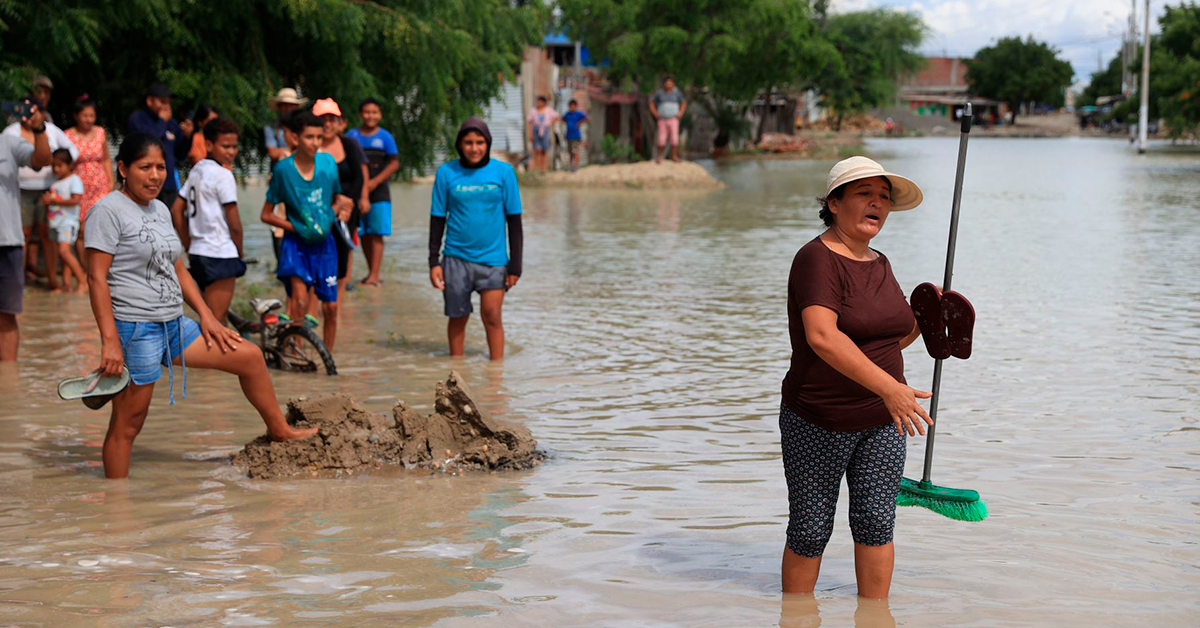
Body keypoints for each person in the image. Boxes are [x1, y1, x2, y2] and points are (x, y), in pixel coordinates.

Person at [85, 133, 317, 479]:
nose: (154, 176)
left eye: (160, 167)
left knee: (249, 357)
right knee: (128, 424)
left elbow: (179, 270)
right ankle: (116, 507)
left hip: (174, 324)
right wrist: (109, 341)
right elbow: (96, 279)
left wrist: (208, 317)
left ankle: (280, 430)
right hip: (135, 329)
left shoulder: (160, 209)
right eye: (144, 167)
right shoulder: (107, 211)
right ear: (122, 168)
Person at [779, 156, 933, 599]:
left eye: (883, 197)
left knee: (876, 523)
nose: (877, 204)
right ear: (834, 202)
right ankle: (797, 617)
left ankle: (875, 617)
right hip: (819, 416)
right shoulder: (816, 259)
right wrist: (892, 389)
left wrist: (930, 320)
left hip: (884, 419)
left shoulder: (880, 262)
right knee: (810, 528)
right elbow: (823, 338)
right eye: (865, 193)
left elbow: (887, 339)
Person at [429, 118, 522, 360]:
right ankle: (456, 374)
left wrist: (516, 266)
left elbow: (514, 222)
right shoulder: (446, 173)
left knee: (492, 316)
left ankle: (496, 378)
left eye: (480, 142)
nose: (474, 148)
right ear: (459, 144)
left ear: (488, 143)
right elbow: (437, 220)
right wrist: (433, 262)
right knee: (458, 318)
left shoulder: (504, 173)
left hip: (493, 260)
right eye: (468, 142)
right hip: (455, 259)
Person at [259, 111, 352, 351]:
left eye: (319, 137)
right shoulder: (283, 170)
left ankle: (328, 359)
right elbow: (266, 214)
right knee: (299, 302)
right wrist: (296, 227)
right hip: (296, 246)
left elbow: (336, 197)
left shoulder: (328, 164)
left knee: (330, 307)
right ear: (294, 138)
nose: (315, 143)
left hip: (325, 245)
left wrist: (343, 206)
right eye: (309, 137)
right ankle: (295, 350)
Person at [169, 117, 245, 325]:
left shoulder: (198, 169)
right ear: (209, 145)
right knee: (215, 322)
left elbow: (176, 210)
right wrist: (239, 252)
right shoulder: (223, 175)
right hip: (220, 253)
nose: (231, 152)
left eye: (234, 146)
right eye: (225, 146)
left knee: (211, 318)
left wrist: (188, 244)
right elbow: (235, 224)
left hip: (199, 254)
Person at [3, 94, 79, 289]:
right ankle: (18, 281)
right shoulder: (10, 133)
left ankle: (53, 280)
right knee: (23, 234)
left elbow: (70, 150)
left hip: (48, 189)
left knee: (48, 235)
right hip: (20, 190)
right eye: (24, 108)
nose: (28, 114)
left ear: (40, 111)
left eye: (32, 110)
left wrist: (62, 166)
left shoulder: (50, 130)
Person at [0, 100, 52, 361]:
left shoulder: (7, 142)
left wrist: (39, 128)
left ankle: (8, 381)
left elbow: (42, 159)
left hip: (7, 242)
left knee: (7, 315)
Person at [313, 98, 369, 304]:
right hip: (317, 208)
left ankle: (337, 303)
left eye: (331, 119)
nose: (327, 124)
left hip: (347, 208)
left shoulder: (349, 144)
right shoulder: (311, 145)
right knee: (317, 253)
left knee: (343, 252)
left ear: (340, 123)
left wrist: (348, 203)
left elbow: (358, 176)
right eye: (322, 119)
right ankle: (314, 303)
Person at [346, 97, 399, 286]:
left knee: (377, 232)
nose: (370, 116)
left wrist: (374, 182)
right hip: (355, 191)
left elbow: (394, 163)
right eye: (367, 112)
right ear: (360, 114)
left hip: (379, 192)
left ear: (380, 115)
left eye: (374, 112)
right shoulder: (352, 135)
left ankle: (374, 274)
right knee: (362, 233)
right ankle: (368, 272)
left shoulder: (385, 137)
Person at [65, 96, 116, 270]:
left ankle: (104, 266)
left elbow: (106, 159)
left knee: (102, 226)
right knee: (82, 230)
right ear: (76, 115)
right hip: (79, 188)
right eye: (85, 115)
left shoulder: (101, 132)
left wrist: (111, 181)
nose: (89, 119)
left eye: (92, 115)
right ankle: (86, 268)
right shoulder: (67, 135)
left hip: (100, 185)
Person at [126, 82, 194, 209]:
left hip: (167, 184)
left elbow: (180, 154)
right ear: (150, 101)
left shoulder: (172, 123)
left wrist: (187, 137)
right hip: (144, 183)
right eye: (162, 102)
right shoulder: (137, 118)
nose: (166, 106)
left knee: (167, 224)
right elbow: (146, 143)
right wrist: (162, 121)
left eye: (168, 102)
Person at [41, 149, 86, 293]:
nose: (56, 169)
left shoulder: (74, 180)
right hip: (55, 222)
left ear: (69, 165)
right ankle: (66, 284)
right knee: (64, 254)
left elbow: (76, 200)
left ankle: (82, 280)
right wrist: (48, 200)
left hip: (68, 223)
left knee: (64, 251)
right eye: (54, 165)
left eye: (59, 165)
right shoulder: (55, 182)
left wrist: (55, 200)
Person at [649, 76, 686, 163]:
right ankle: (660, 157)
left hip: (673, 119)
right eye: (667, 83)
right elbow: (651, 102)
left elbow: (683, 103)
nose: (668, 85)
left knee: (674, 138)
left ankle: (674, 156)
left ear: (673, 84)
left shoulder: (677, 93)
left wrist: (681, 113)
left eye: (670, 83)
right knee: (661, 139)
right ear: (664, 84)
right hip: (662, 119)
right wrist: (655, 113)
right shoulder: (659, 93)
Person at [526, 95, 558, 172]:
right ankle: (537, 168)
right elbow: (530, 122)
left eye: (541, 101)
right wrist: (530, 134)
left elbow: (557, 116)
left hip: (545, 130)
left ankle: (544, 169)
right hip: (536, 131)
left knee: (544, 150)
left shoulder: (548, 110)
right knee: (537, 150)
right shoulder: (533, 110)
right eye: (538, 101)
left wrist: (551, 123)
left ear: (544, 102)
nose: (539, 103)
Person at [561, 99, 588, 172]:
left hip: (576, 136)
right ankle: (571, 166)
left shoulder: (578, 114)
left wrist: (579, 123)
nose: (572, 108)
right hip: (569, 136)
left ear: (576, 106)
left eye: (573, 106)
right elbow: (562, 119)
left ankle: (577, 167)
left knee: (575, 151)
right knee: (570, 153)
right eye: (570, 106)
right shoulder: (567, 114)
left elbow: (587, 118)